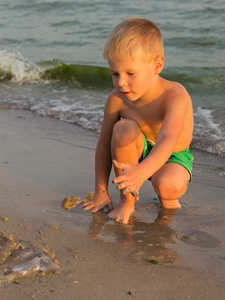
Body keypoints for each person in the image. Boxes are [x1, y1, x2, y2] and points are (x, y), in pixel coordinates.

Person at [83, 18, 194, 224]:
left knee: (168, 186)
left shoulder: (175, 95)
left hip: (171, 155)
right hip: (137, 151)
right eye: (115, 73)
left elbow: (168, 138)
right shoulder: (117, 99)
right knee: (123, 129)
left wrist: (141, 172)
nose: (121, 82)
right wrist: (100, 190)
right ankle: (127, 203)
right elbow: (105, 144)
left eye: (130, 73)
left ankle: (169, 208)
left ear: (157, 65)